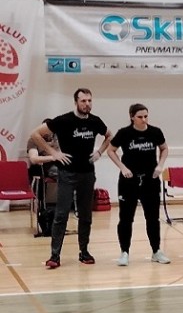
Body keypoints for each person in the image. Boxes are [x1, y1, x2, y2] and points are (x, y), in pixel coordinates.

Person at [31, 88, 111, 269]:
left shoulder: (95, 121)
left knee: (85, 215)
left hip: (87, 173)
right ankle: (54, 256)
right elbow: (35, 134)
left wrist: (99, 152)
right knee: (61, 215)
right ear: (76, 102)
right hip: (67, 173)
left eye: (89, 100)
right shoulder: (64, 120)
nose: (87, 104)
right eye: (83, 101)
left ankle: (84, 252)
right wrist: (54, 153)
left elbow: (109, 136)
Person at [107, 103, 171, 267]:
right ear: (132, 117)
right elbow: (111, 150)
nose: (144, 120)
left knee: (153, 217)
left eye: (146, 116)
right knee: (126, 218)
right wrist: (122, 168)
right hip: (129, 181)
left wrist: (160, 165)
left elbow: (164, 149)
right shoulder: (124, 133)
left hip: (150, 180)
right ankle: (124, 252)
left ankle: (156, 251)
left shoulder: (155, 132)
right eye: (140, 117)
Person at [27, 119, 61, 238]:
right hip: (44, 168)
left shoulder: (57, 138)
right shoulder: (33, 140)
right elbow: (34, 159)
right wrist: (53, 157)